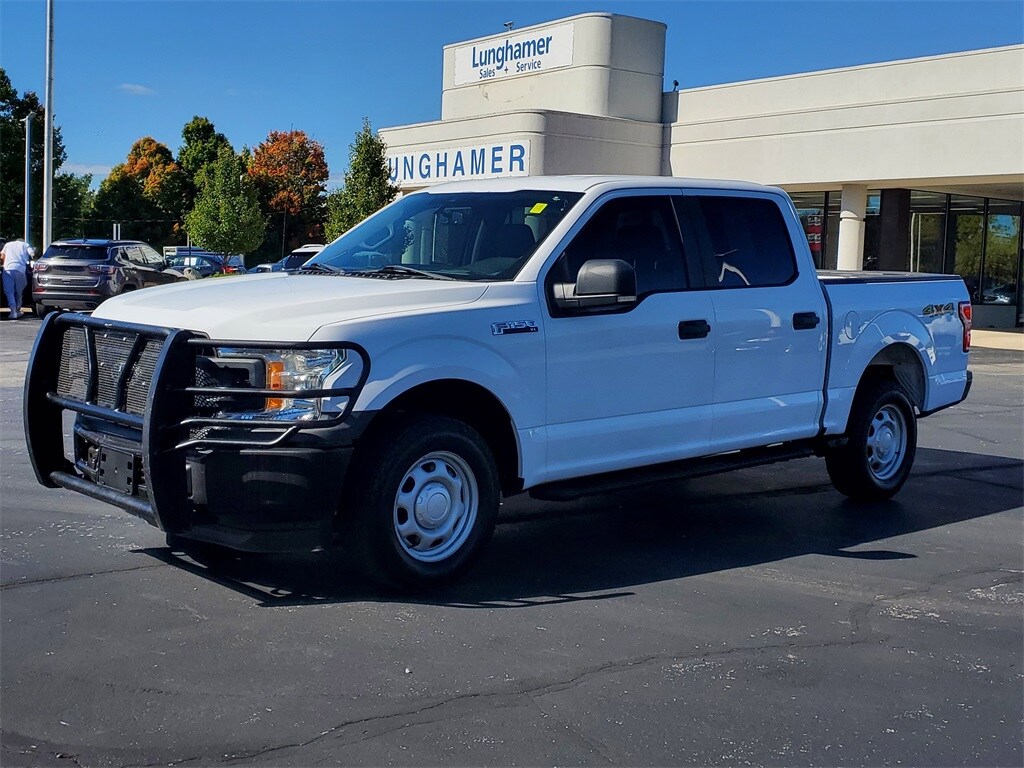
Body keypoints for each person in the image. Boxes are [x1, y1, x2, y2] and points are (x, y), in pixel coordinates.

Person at [1, 237, 35, 320]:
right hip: (20, 270)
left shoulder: (8, 244)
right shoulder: (25, 245)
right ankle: (17, 309)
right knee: (19, 292)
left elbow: (2, 256)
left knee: (9, 291)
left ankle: (13, 312)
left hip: (8, 269)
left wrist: (4, 263)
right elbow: (32, 254)